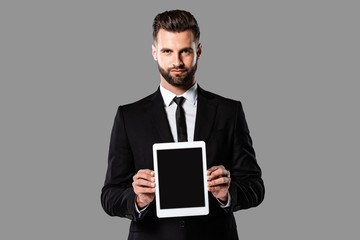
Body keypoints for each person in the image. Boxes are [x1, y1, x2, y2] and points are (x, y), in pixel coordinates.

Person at [101, 9, 265, 240]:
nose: (176, 61)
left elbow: (255, 187)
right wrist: (138, 199)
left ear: (198, 51)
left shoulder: (229, 111)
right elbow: (109, 195)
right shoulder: (129, 116)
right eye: (167, 51)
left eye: (185, 51)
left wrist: (227, 194)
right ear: (154, 52)